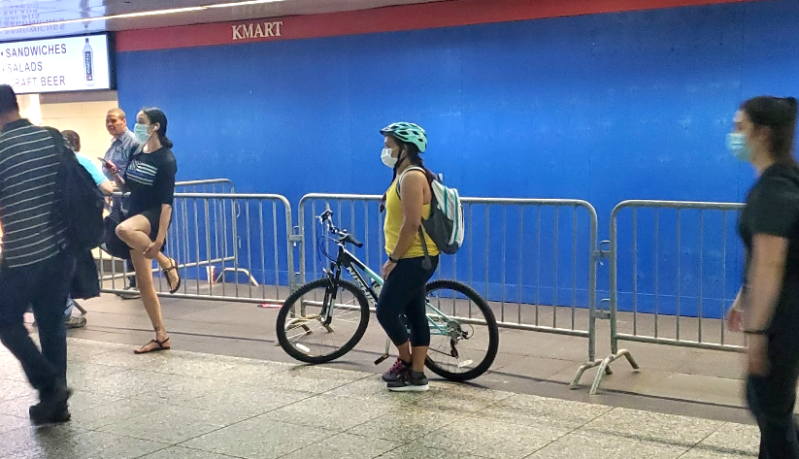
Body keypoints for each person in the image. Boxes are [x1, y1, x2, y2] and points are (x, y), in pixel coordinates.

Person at [726, 96, 799, 458]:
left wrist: (755, 335)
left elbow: (771, 264)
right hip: (786, 312)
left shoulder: (773, 190)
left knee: (769, 406)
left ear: (763, 133)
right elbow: (766, 257)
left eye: (740, 127)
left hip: (783, 317)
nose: (733, 135)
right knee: (773, 408)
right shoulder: (786, 178)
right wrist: (743, 296)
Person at [0, 85, 74, 424]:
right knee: (51, 322)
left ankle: (49, 384)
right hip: (62, 249)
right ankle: (55, 405)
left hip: (23, 253)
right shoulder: (52, 137)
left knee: (5, 320)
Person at [105, 108, 180, 354]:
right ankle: (161, 335)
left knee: (122, 230)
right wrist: (116, 175)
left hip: (153, 216)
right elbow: (129, 187)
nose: (136, 126)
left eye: (140, 122)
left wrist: (159, 240)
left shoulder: (166, 159)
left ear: (155, 126)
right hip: (135, 211)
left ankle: (167, 263)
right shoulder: (138, 154)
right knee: (144, 283)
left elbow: (167, 203)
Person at [376, 122, 439, 392]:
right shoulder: (402, 175)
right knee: (415, 315)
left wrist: (394, 258)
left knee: (386, 311)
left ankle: (405, 362)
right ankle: (417, 376)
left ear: (405, 148)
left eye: (389, 145)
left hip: (413, 258)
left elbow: (412, 224)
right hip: (412, 257)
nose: (385, 150)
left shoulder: (412, 177)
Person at [61, 130, 114, 329]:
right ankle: (62, 314)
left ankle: (49, 311)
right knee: (68, 268)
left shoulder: (52, 163)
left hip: (56, 224)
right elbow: (107, 188)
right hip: (78, 225)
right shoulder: (83, 161)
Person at [104, 108, 141, 300]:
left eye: (113, 121)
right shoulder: (114, 144)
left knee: (132, 241)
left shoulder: (132, 142)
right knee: (122, 239)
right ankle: (133, 282)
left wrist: (116, 174)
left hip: (130, 199)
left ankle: (138, 283)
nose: (110, 125)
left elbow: (132, 175)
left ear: (124, 121)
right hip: (118, 198)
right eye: (107, 122)